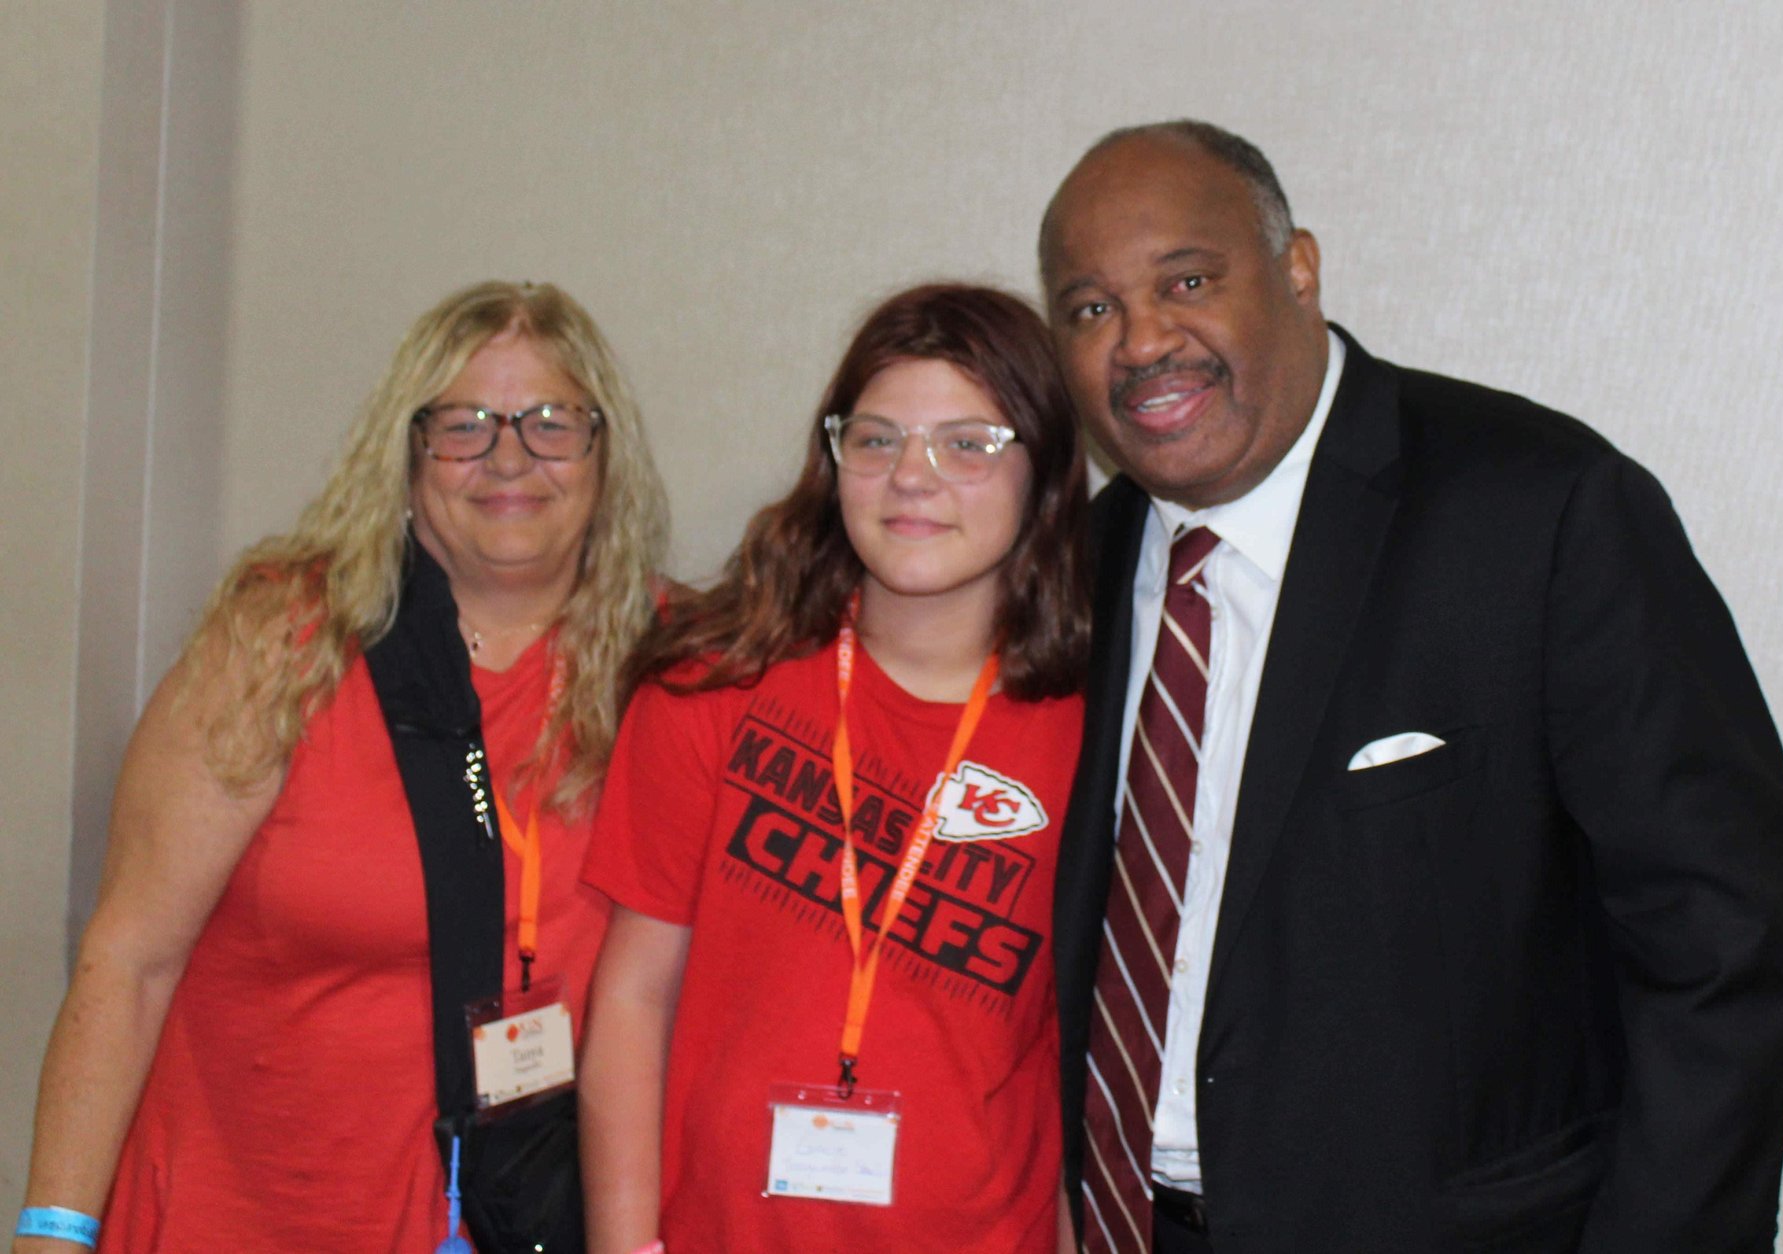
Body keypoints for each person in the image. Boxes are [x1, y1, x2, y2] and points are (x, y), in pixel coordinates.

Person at [1040, 121, 1783, 1253]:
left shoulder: (1541, 512)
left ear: (1298, 269)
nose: (1143, 341)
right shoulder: (1079, 569)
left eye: (1188, 280)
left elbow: (1720, 936)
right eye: (1090, 309)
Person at [13, 281, 669, 1253]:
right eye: (464, 426)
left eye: (549, 423)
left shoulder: (665, 667)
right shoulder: (285, 638)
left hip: (509, 1218)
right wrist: (51, 1232)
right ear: (406, 458)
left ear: (602, 455)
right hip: (245, 1216)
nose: (508, 458)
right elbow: (131, 961)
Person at [580, 283, 1088, 1253]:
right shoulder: (714, 687)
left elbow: (1072, 1056)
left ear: (1046, 473)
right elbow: (633, 996)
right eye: (876, 438)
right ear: (835, 459)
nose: (913, 476)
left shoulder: (1094, 733)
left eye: (968, 444)